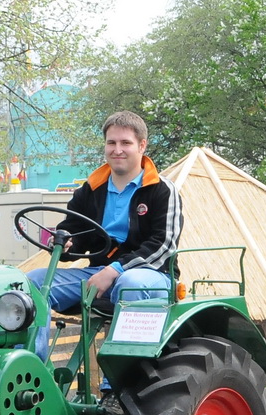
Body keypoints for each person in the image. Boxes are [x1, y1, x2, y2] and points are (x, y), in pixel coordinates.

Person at [42, 110, 181, 315]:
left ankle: (128, 347)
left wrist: (115, 269)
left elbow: (163, 245)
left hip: (152, 275)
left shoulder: (162, 190)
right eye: (111, 143)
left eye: (125, 143)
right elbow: (74, 231)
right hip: (98, 273)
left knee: (129, 283)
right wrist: (65, 245)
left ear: (142, 145)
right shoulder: (90, 190)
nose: (117, 150)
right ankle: (32, 348)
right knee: (34, 282)